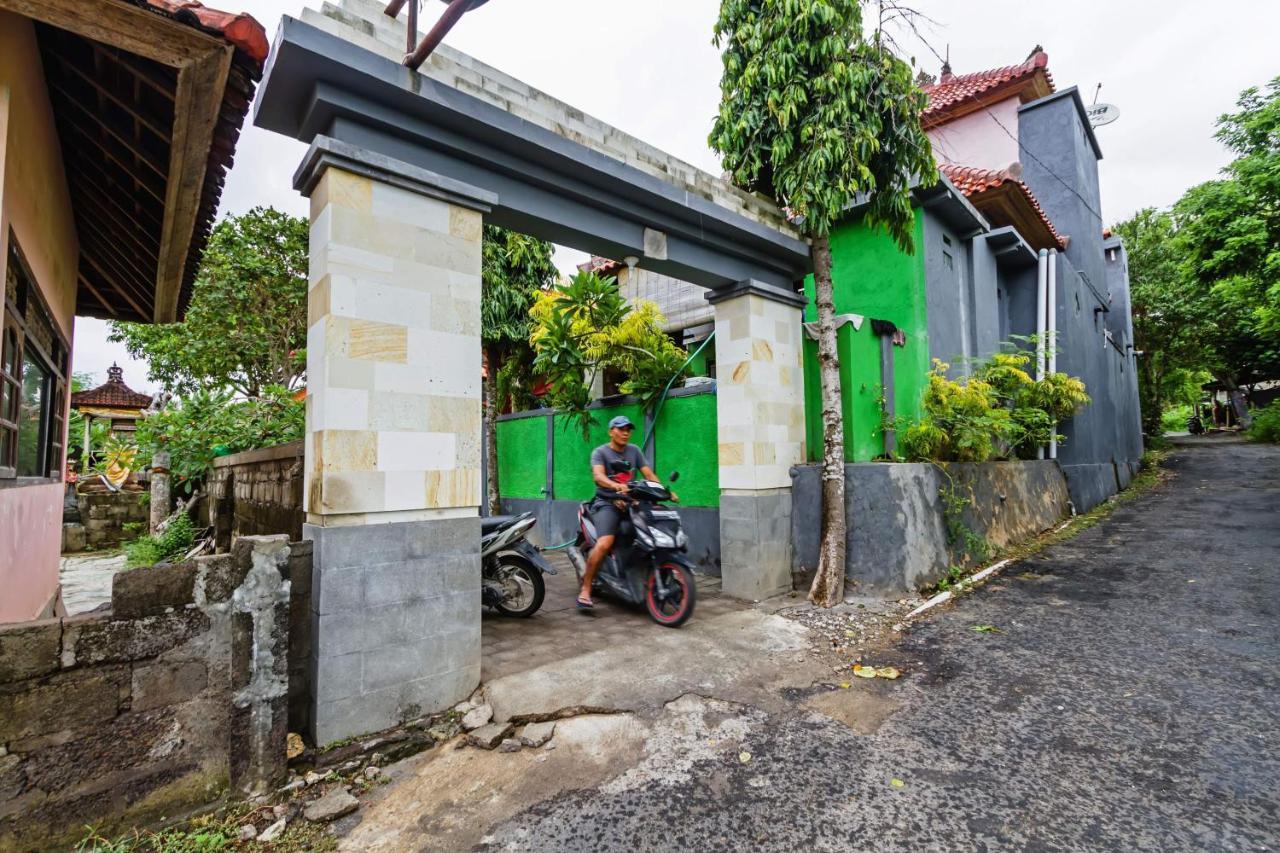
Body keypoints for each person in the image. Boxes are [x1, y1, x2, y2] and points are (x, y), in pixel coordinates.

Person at [577, 415, 675, 610]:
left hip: (631, 503)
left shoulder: (635, 451)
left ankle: (641, 575)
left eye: (628, 429)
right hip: (606, 502)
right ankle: (586, 589)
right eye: (621, 429)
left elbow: (648, 474)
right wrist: (615, 486)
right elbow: (598, 476)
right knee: (605, 543)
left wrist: (664, 491)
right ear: (611, 431)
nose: (625, 433)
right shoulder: (600, 452)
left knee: (650, 534)